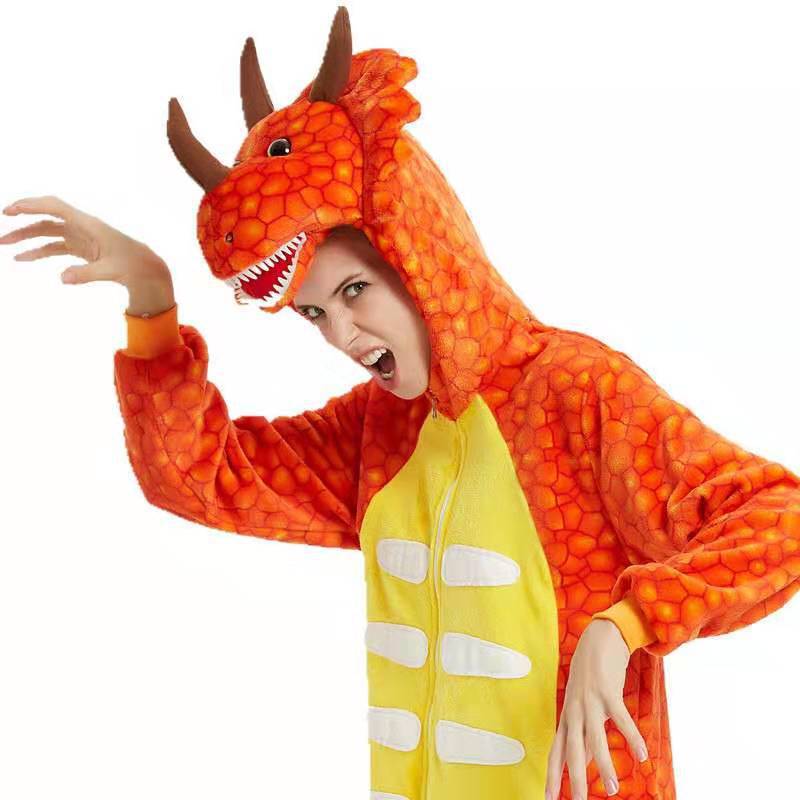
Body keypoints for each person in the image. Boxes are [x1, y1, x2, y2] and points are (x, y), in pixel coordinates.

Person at [3, 7, 800, 800]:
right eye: (314, 313)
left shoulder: (578, 393)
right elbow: (199, 476)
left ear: (418, 251)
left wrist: (625, 624)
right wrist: (151, 302)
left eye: (355, 291)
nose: (342, 335)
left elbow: (778, 521)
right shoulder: (376, 430)